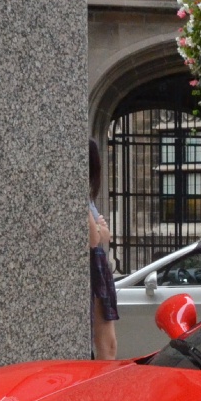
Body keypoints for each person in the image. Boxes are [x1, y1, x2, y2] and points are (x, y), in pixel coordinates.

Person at [87, 140, 118, 361]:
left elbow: (105, 236)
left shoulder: (89, 200)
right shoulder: (86, 200)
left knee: (108, 343)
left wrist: (99, 232)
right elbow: (96, 237)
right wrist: (99, 229)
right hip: (94, 266)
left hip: (97, 265)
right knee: (106, 344)